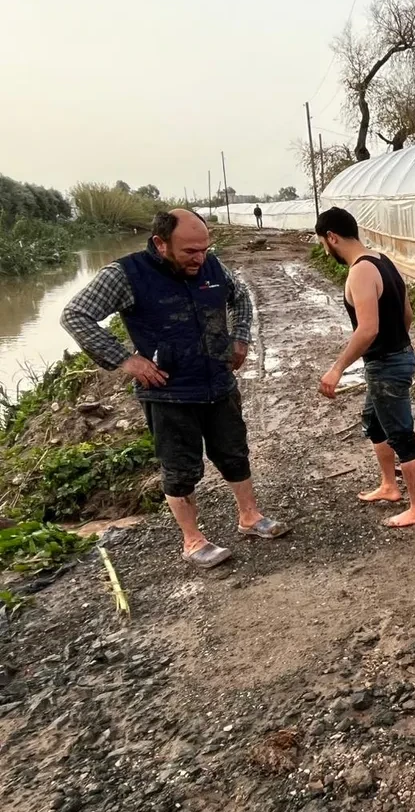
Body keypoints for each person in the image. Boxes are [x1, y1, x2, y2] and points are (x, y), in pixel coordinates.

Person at [60, 209, 289, 567]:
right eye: (190, 252)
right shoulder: (126, 274)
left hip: (218, 381)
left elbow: (240, 296)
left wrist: (240, 337)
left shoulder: (211, 266)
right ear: (160, 243)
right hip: (169, 392)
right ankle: (193, 541)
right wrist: (126, 359)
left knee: (234, 452)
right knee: (180, 467)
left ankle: (250, 517)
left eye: (204, 249)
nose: (200, 258)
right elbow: (76, 314)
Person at [314, 207, 415, 528]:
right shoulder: (383, 260)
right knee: (374, 422)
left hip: (386, 364)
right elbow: (407, 313)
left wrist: (337, 368)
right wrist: (399, 345)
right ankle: (390, 486)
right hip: (396, 356)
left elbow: (368, 329)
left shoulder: (361, 272)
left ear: (332, 237)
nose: (325, 250)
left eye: (324, 243)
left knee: (401, 434)